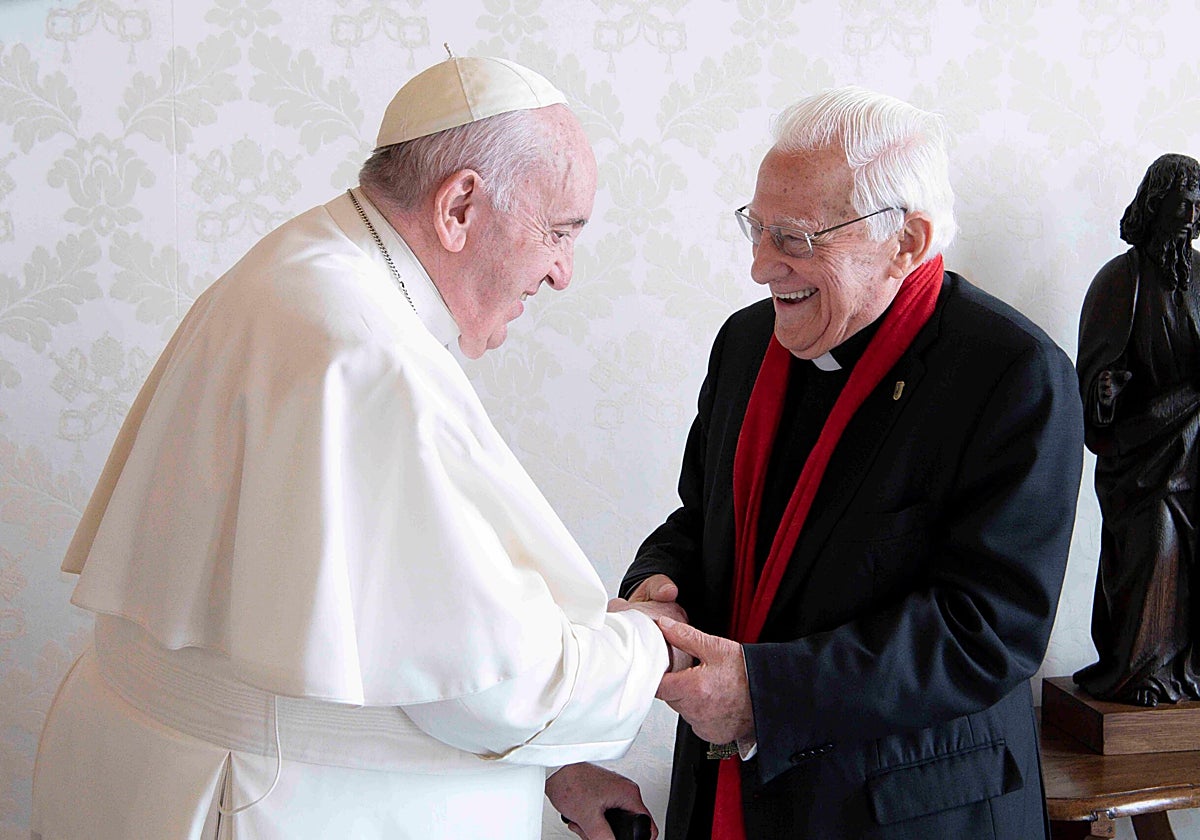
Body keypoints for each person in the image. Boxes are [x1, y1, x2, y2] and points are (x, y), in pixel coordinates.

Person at [31, 55, 679, 840]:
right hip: (269, 799)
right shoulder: (370, 354)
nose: (562, 273)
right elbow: (498, 688)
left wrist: (556, 760)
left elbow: (396, 631)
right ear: (459, 206)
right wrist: (648, 647)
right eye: (559, 231)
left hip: (147, 771)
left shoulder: (305, 264)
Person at [559, 87, 1085, 839]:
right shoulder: (745, 343)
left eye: (795, 239)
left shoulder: (1012, 372)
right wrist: (658, 585)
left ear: (906, 242)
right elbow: (701, 519)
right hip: (732, 790)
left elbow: (988, 629)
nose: (760, 267)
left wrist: (763, 693)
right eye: (757, 228)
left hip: (905, 812)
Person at [1073, 153, 1200, 708]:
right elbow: (1094, 376)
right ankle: (1141, 670)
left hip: (1197, 443)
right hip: (1142, 455)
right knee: (1156, 540)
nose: (1192, 218)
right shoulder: (1118, 281)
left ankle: (1188, 671)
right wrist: (1104, 393)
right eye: (1184, 205)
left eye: (1198, 208)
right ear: (1156, 204)